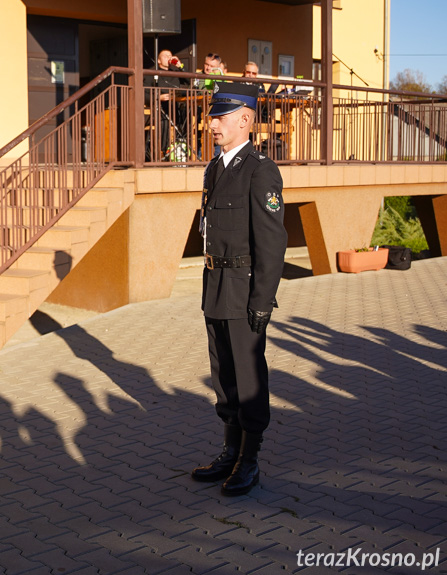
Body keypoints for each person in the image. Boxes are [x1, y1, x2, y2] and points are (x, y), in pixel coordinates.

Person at [190, 82, 287, 496]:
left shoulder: (260, 169)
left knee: (248, 378)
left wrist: (262, 302)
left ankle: (250, 460)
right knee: (223, 374)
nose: (211, 123)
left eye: (220, 116)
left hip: (245, 290)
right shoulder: (215, 168)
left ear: (245, 119)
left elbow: (272, 241)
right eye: (212, 116)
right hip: (216, 286)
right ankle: (230, 451)